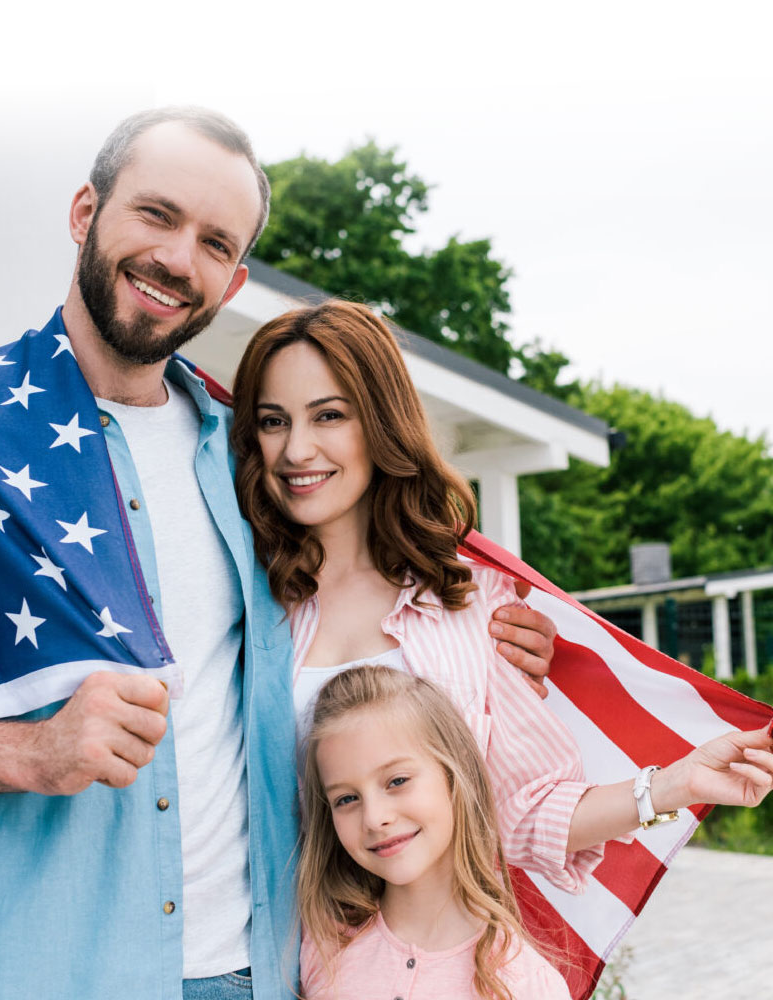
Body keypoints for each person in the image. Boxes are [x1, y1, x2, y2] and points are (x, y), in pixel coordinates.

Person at [0, 108, 554, 1000]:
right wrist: (25, 754)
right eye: (156, 214)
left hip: (257, 968)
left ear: (233, 279)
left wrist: (483, 632)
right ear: (84, 212)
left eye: (215, 242)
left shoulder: (249, 458)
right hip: (36, 974)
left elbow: (357, 577)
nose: (179, 259)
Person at [230, 299, 773, 893]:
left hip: (428, 958)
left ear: (381, 422)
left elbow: (522, 813)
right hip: (260, 960)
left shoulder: (473, 600)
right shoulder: (235, 591)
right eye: (273, 420)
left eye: (328, 416)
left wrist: (675, 785)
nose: (296, 451)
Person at [297, 665, 570, 1000]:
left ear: (454, 776)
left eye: (397, 781)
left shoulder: (523, 983)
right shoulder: (324, 947)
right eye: (347, 799)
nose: (374, 818)